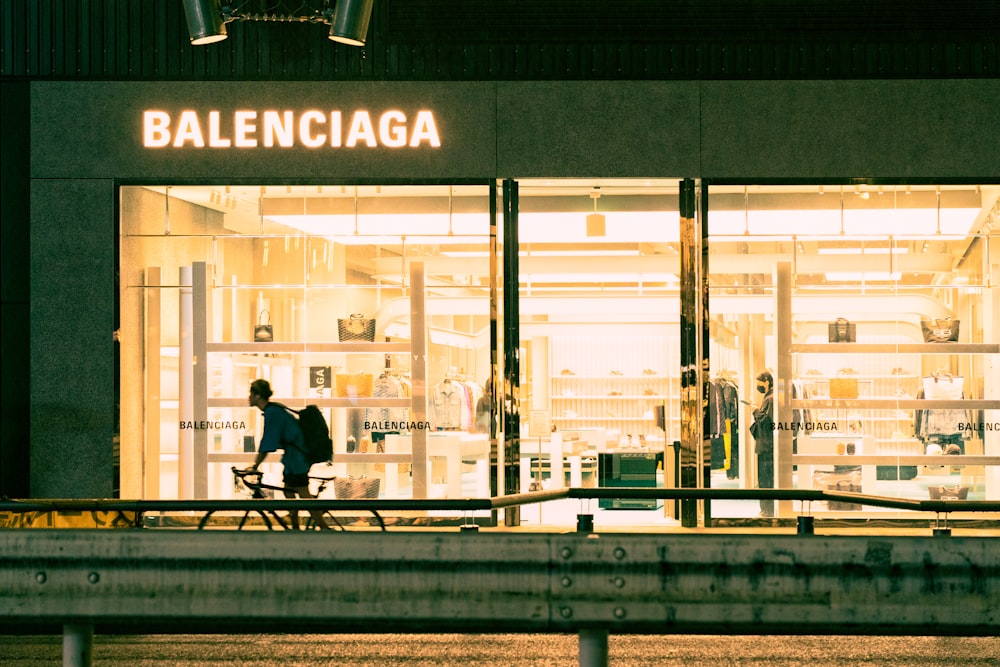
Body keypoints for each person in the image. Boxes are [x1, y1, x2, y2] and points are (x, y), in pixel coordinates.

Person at [247, 379, 330, 530]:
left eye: (251, 393)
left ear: (258, 395)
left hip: (297, 459)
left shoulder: (272, 412)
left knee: (304, 495)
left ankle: (324, 527)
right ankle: (296, 528)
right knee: (289, 492)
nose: (249, 397)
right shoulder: (273, 410)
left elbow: (267, 442)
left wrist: (255, 466)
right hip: (293, 459)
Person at [749, 371, 775, 518]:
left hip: (766, 446)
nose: (757, 386)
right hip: (768, 445)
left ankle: (767, 511)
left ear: (766, 382)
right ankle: (767, 509)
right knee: (766, 479)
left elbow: (765, 423)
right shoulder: (770, 397)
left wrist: (755, 411)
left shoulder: (770, 399)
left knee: (765, 480)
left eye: (759, 383)